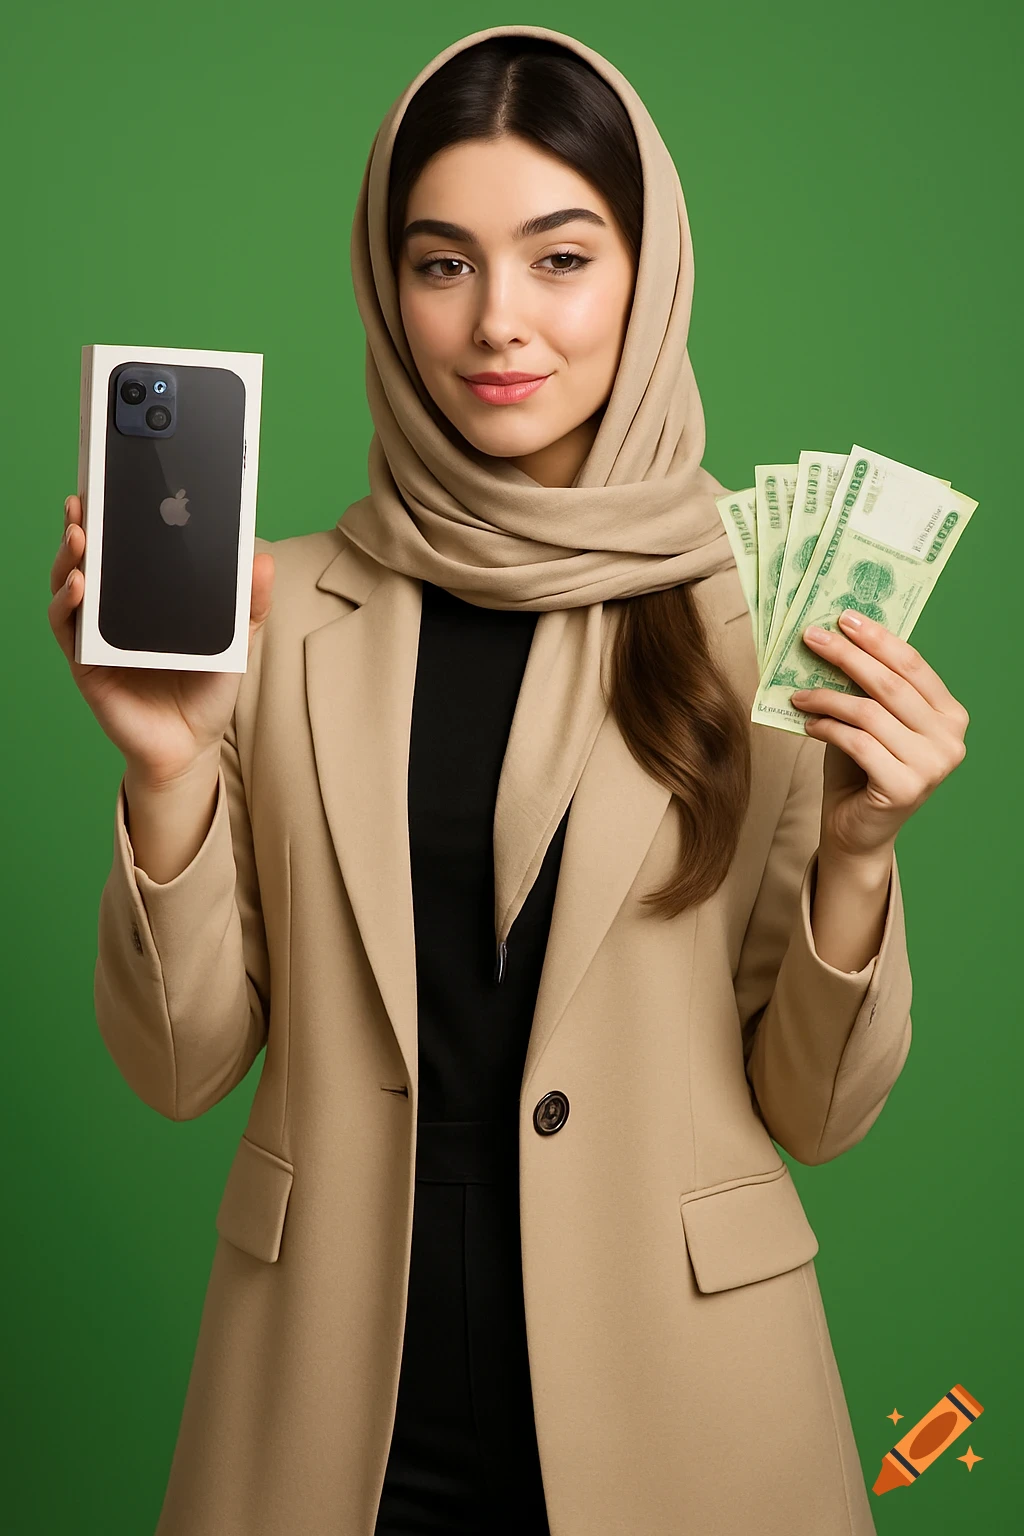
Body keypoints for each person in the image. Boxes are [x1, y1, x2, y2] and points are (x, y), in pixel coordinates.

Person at [48, 23, 969, 1536]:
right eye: (441, 263)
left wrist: (861, 860)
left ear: (648, 274)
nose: (498, 325)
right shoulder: (274, 613)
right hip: (331, 1419)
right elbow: (179, 1070)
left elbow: (815, 1110)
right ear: (385, 287)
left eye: (560, 257)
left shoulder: (772, 610)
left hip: (685, 1408)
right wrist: (164, 772)